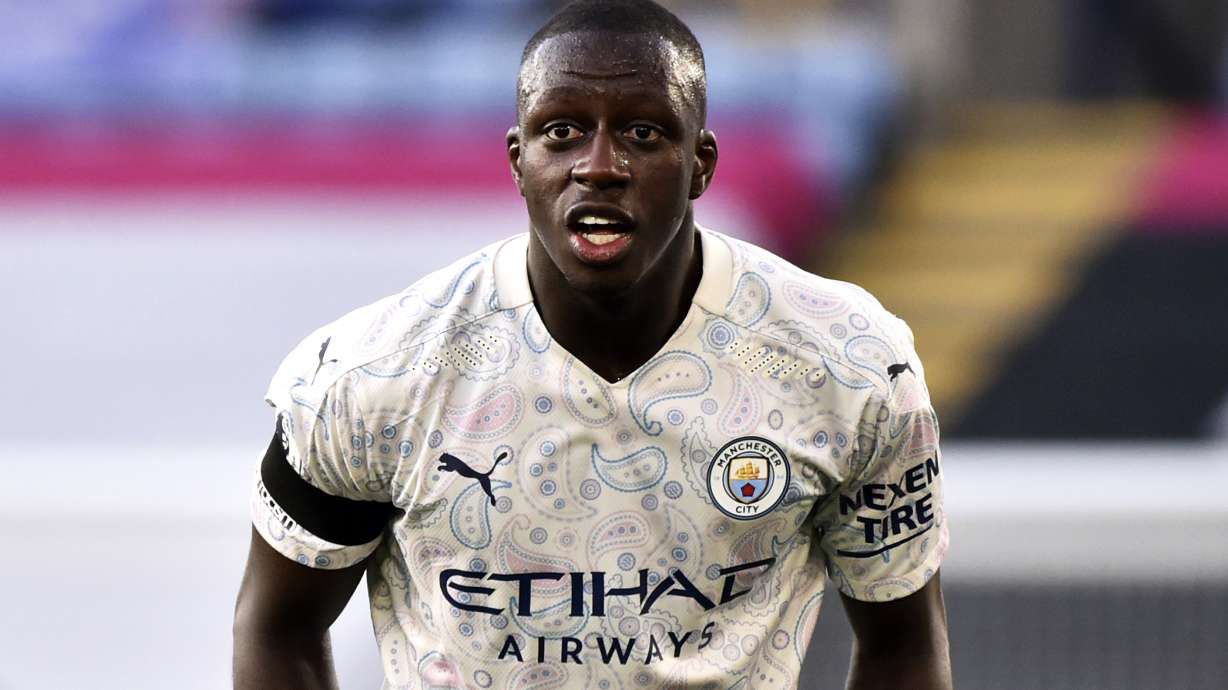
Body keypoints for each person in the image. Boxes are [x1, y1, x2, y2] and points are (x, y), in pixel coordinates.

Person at [232, 1, 952, 688]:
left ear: (701, 163)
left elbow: (902, 648)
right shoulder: (378, 372)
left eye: (643, 133)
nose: (600, 165)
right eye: (562, 132)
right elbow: (276, 630)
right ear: (518, 161)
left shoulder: (844, 363)